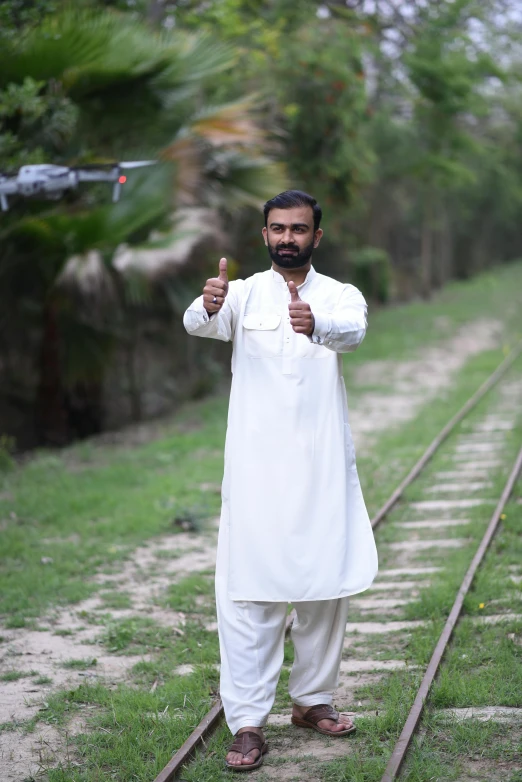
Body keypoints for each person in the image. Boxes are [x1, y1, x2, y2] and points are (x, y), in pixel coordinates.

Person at [183, 190, 378, 771]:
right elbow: (199, 323)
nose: (287, 237)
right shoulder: (239, 295)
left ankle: (312, 701)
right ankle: (246, 721)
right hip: (255, 475)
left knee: (325, 590)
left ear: (317, 236)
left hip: (321, 471)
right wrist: (208, 301)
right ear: (263, 235)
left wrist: (317, 323)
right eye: (277, 228)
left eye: (298, 229)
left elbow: (354, 331)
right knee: (250, 597)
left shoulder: (340, 295)